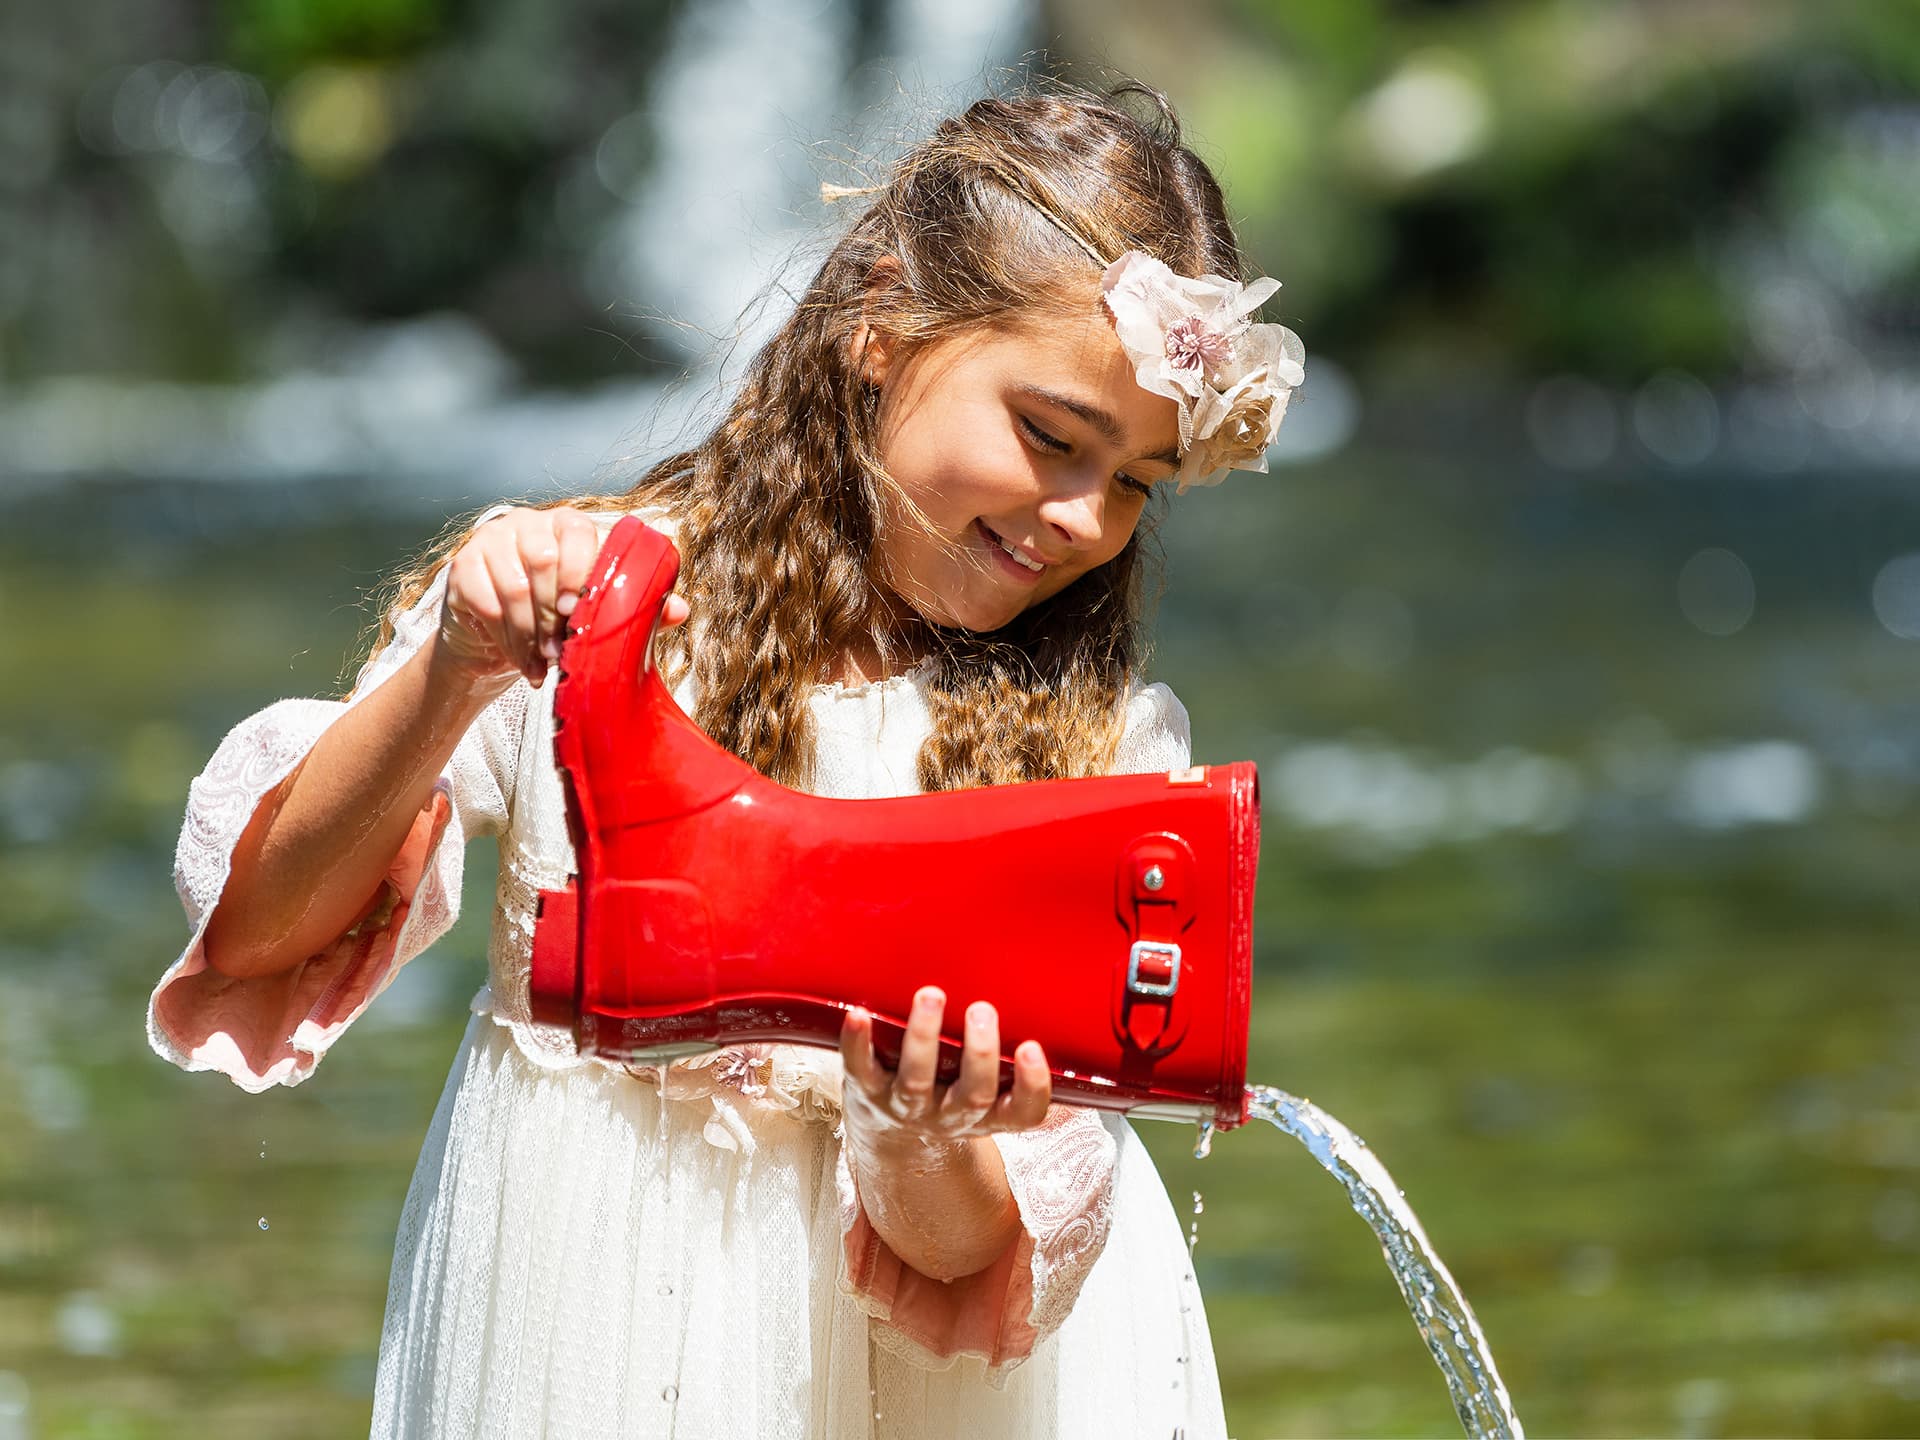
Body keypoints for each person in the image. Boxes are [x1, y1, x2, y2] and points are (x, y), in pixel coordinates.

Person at [147, 82, 1304, 1439]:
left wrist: (921, 1130)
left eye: (1134, 483)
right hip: (585, 1319)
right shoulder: (591, 608)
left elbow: (962, 1268)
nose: (1079, 518)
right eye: (1051, 436)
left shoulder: (1096, 748)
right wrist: (455, 665)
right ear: (881, 323)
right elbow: (262, 934)